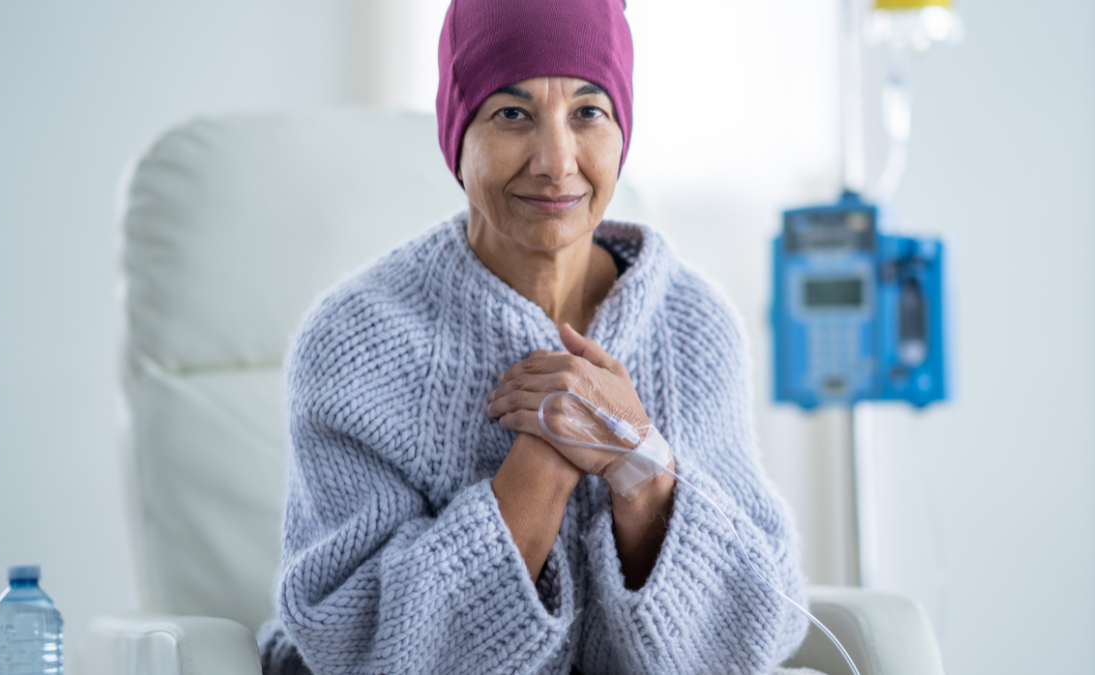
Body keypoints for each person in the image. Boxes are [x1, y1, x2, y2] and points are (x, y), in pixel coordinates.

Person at [258, 0, 810, 673]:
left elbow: (754, 632)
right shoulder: (353, 339)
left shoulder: (694, 323)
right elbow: (354, 643)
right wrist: (544, 463)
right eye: (512, 114)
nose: (556, 161)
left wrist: (643, 471)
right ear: (457, 137)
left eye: (588, 113)